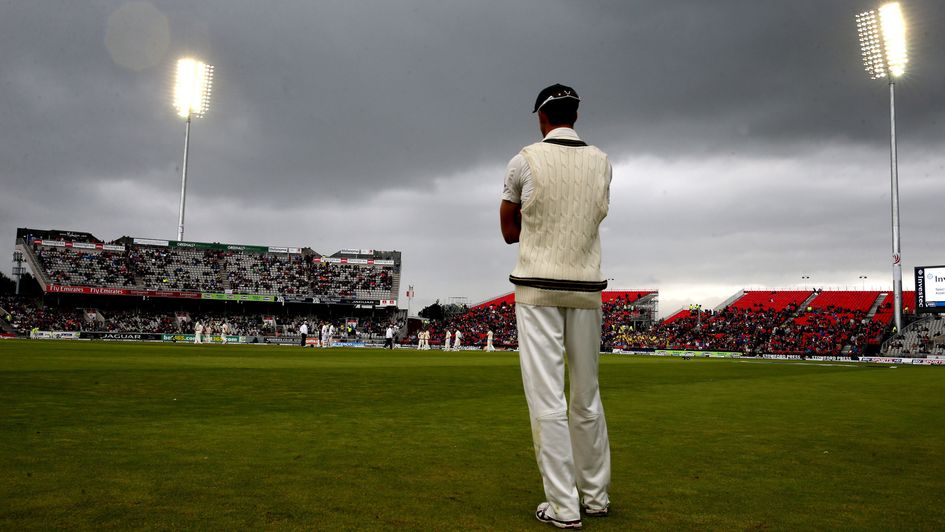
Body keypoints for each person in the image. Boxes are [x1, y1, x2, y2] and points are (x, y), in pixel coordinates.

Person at [500, 83, 612, 528]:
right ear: (576, 116)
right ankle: (596, 497)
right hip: (586, 288)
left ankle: (564, 508)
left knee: (548, 399)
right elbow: (592, 215)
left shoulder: (524, 159)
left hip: (537, 289)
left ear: (541, 117)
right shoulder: (602, 161)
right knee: (586, 397)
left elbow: (509, 231)